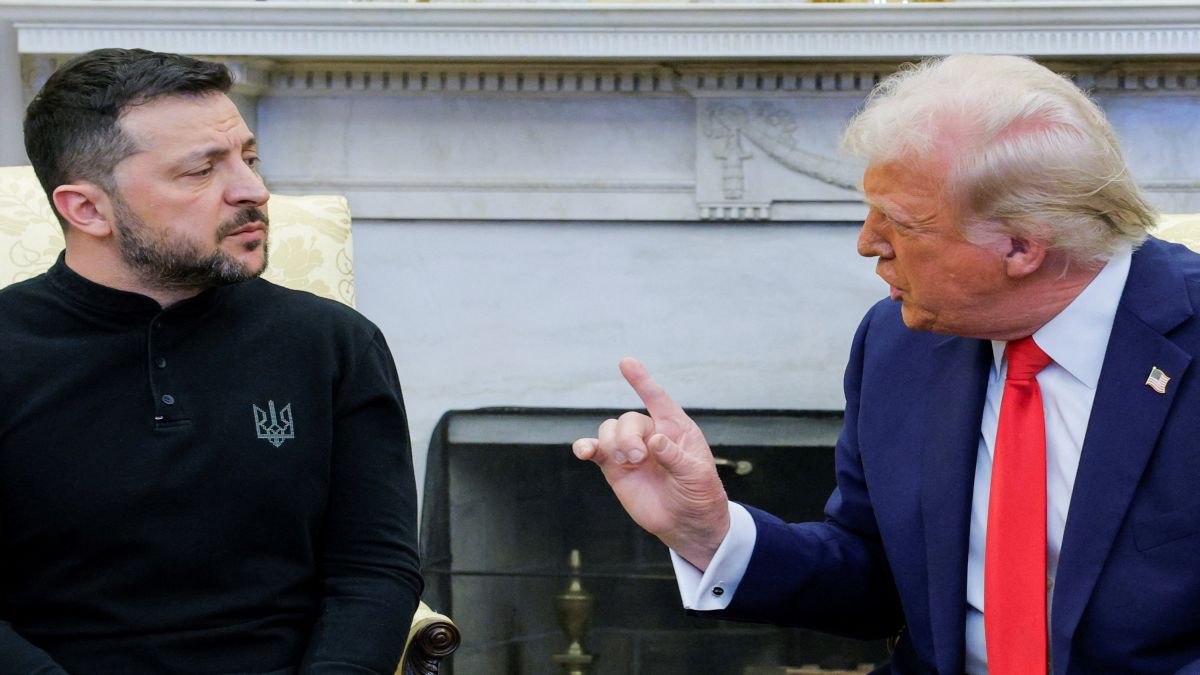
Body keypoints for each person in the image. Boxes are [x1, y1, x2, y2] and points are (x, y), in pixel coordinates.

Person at [574, 54, 1200, 674]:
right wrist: (708, 532)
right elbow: (878, 575)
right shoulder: (899, 342)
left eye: (899, 222)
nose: (867, 242)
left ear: (1019, 246)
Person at [0, 48, 422, 674]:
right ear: (86, 209)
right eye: (201, 172)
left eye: (248, 158)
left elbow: (374, 568)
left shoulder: (333, 341)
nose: (254, 191)